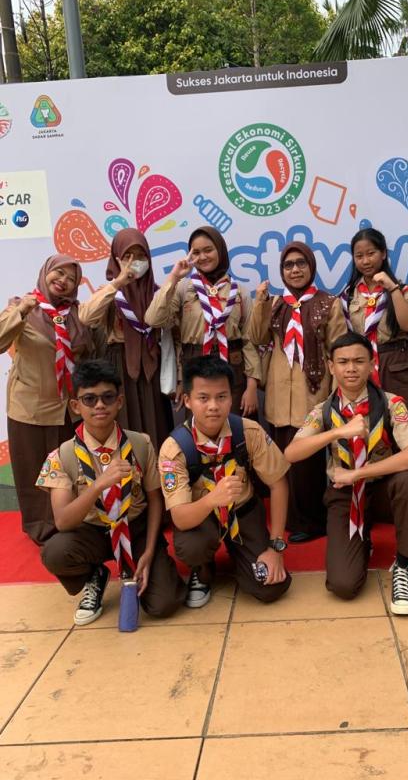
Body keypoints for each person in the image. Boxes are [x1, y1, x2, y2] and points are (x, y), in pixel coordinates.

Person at [36, 360, 186, 625]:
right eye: (89, 399)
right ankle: (93, 576)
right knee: (55, 552)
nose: (99, 405)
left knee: (164, 604)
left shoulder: (140, 443)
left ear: (120, 401)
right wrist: (98, 485)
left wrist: (149, 551)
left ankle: (145, 566)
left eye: (107, 397)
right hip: (92, 532)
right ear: (76, 406)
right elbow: (63, 522)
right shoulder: (62, 456)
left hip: (135, 529)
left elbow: (155, 500)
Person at [285, 332, 408, 614]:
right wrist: (338, 432)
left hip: (382, 488)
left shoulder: (391, 403)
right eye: (343, 362)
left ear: (372, 364)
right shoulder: (324, 410)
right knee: (343, 585)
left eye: (359, 361)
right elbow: (291, 453)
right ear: (331, 366)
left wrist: (358, 474)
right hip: (345, 495)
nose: (351, 368)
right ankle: (362, 543)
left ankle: (404, 566)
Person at [158, 355, 292, 607]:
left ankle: (242, 556)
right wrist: (213, 499)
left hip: (243, 511)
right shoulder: (174, 448)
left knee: (270, 588)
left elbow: (278, 484)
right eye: (203, 398)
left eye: (221, 397)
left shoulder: (248, 432)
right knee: (192, 546)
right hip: (202, 518)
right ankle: (202, 569)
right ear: (187, 400)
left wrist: (275, 547)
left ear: (231, 397)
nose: (213, 406)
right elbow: (180, 518)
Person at [246, 241, 347, 543]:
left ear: (311, 267)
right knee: (283, 460)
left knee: (309, 463)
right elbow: (256, 337)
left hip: (312, 392)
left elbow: (338, 350)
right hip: (279, 394)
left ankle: (313, 520)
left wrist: (338, 393)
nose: (295, 270)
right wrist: (260, 302)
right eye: (288, 265)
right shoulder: (276, 303)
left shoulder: (329, 303)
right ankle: (289, 518)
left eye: (301, 263)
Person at [0, 254, 94, 544]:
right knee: (33, 469)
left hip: (68, 408)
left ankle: (69, 521)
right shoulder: (22, 306)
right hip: (30, 406)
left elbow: (86, 353)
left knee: (67, 470)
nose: (63, 281)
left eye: (71, 278)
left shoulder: (77, 314)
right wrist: (21, 311)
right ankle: (40, 527)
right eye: (58, 273)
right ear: (45, 273)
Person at [144, 225, 260, 416]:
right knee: (200, 425)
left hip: (233, 368)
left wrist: (252, 386)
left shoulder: (239, 291)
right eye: (196, 253)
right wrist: (174, 277)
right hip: (195, 366)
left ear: (220, 250)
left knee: (235, 425)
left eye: (208, 250)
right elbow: (153, 319)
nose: (203, 257)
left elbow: (249, 340)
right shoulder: (183, 289)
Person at [78, 228, 172, 452]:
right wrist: (118, 282)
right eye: (127, 256)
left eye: (140, 256)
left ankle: (156, 471)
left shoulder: (158, 293)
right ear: (116, 259)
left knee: (155, 421)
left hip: (151, 366)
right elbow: (86, 317)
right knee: (123, 420)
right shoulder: (110, 292)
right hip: (118, 366)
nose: (134, 262)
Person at [340, 227, 408, 433]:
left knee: (406, 426)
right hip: (364, 366)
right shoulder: (348, 295)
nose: (365, 261)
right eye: (359, 256)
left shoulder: (403, 290)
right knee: (369, 427)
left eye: (371, 253)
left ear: (383, 253)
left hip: (397, 365)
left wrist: (392, 289)